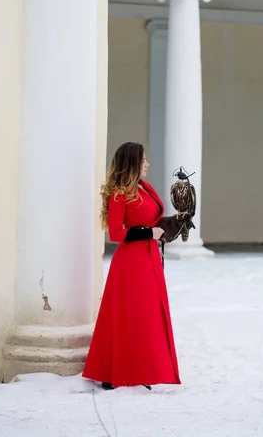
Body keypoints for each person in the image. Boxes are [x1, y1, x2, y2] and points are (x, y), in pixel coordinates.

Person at [82, 142, 181, 390]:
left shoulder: (144, 188)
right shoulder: (119, 194)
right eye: (143, 160)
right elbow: (116, 233)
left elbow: (154, 219)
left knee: (148, 316)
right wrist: (150, 232)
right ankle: (114, 373)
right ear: (132, 163)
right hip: (131, 263)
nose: (147, 164)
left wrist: (176, 222)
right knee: (129, 316)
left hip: (149, 259)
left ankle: (139, 371)